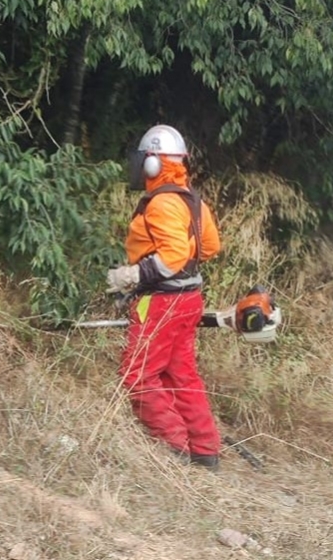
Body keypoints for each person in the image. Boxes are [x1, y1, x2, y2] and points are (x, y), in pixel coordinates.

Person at [106, 124, 223, 470]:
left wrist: (133, 275)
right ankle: (204, 449)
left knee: (137, 374)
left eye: (144, 160)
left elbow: (171, 256)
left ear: (154, 163)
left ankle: (174, 447)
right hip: (190, 299)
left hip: (161, 302)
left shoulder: (160, 203)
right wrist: (181, 252)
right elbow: (211, 246)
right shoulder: (192, 199)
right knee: (181, 374)